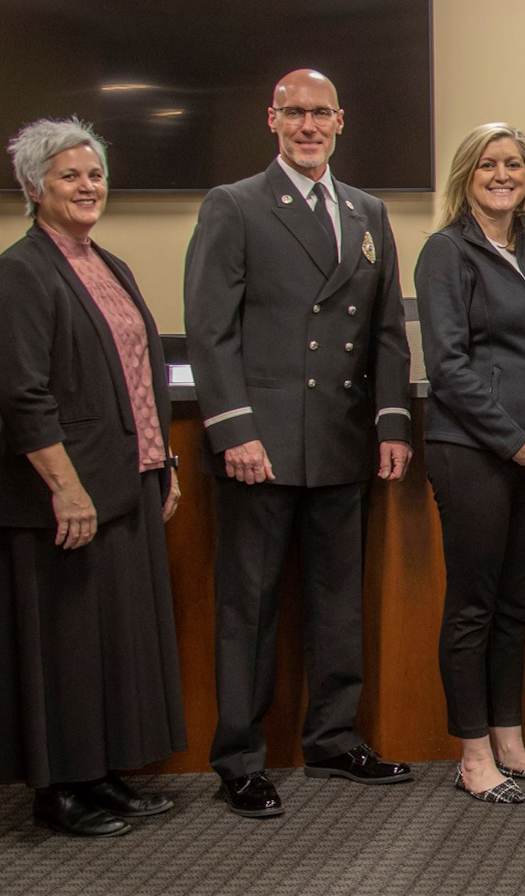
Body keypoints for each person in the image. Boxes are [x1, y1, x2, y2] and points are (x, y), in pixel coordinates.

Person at [184, 69, 415, 819]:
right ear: (272, 120)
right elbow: (210, 330)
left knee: (338, 601)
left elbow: (385, 330)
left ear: (341, 121)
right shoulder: (236, 205)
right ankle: (240, 759)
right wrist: (234, 430)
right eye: (295, 114)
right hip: (264, 444)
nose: (308, 126)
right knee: (249, 608)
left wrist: (390, 421)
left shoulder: (368, 211)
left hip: (343, 439)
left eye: (320, 114)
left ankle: (334, 737)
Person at [0, 118, 186, 837]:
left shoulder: (106, 263)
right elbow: (24, 394)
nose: (88, 186)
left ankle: (101, 777)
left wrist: (165, 464)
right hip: (61, 502)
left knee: (107, 646)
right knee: (62, 648)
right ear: (35, 187)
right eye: (70, 175)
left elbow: (138, 376)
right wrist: (65, 487)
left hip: (124, 486)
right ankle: (57, 792)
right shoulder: (17, 273)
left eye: (94, 174)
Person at [415, 123, 525, 804]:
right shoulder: (444, 252)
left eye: (514, 163)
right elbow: (448, 366)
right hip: (473, 454)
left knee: (515, 605)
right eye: (488, 164)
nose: (502, 174)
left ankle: (510, 742)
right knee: (473, 606)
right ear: (467, 175)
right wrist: (513, 440)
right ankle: (473, 755)